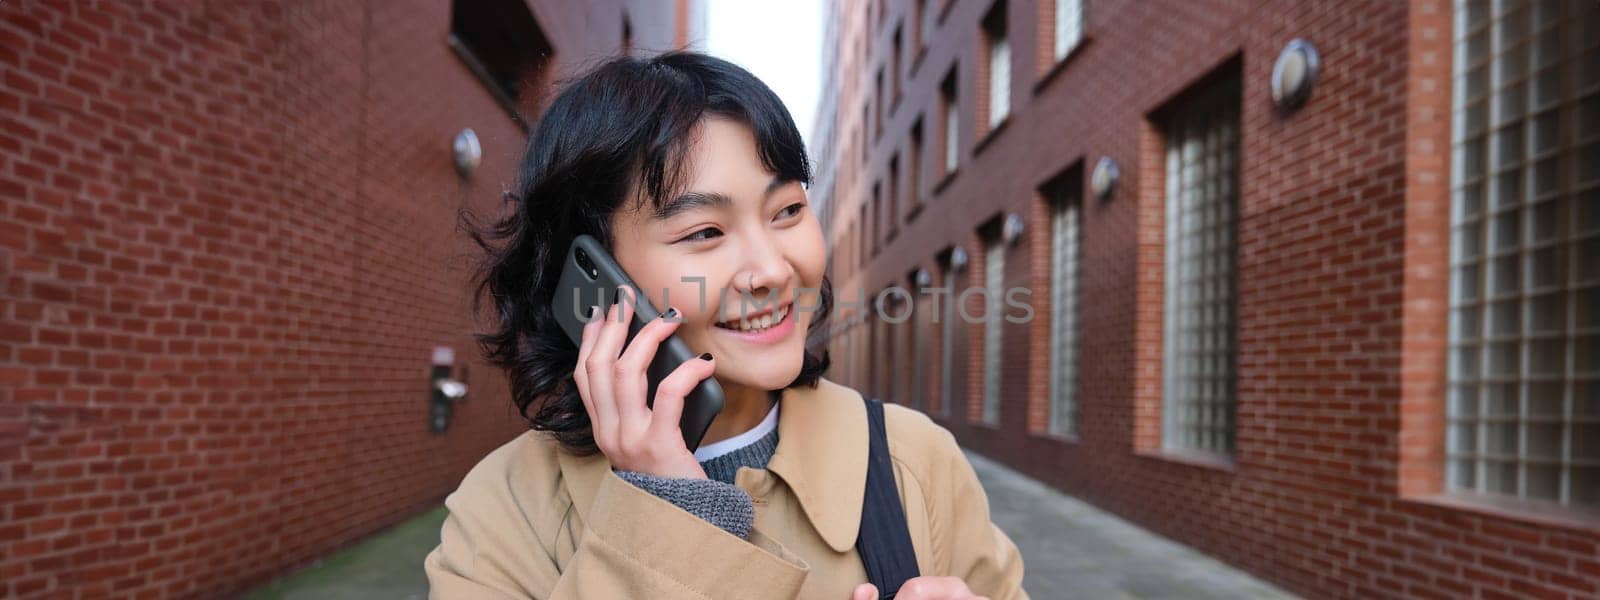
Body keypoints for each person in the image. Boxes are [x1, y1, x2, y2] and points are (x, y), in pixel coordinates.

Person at [424, 50, 1027, 600]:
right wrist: (669, 513)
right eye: (705, 232)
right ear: (595, 281)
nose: (772, 270)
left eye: (788, 210)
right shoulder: (505, 510)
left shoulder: (912, 461)